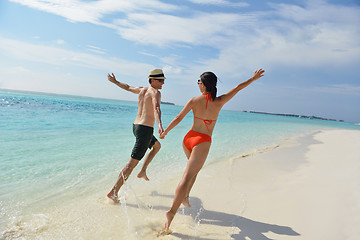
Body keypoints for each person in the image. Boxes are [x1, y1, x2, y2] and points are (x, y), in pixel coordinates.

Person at [159, 68, 265, 230]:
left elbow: (178, 117)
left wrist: (166, 131)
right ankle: (172, 212)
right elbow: (237, 88)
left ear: (204, 85)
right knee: (188, 176)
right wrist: (252, 79)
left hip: (188, 138)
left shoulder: (194, 100)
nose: (198, 84)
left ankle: (185, 197)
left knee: (191, 172)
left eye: (199, 82)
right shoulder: (220, 101)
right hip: (202, 141)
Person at [107, 69, 166, 203]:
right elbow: (157, 108)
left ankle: (143, 171)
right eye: (161, 80)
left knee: (157, 146)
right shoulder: (156, 92)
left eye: (163, 80)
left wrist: (115, 81)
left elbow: (127, 87)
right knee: (131, 164)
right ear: (152, 80)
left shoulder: (142, 90)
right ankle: (113, 192)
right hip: (145, 130)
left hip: (136, 127)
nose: (163, 83)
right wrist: (160, 126)